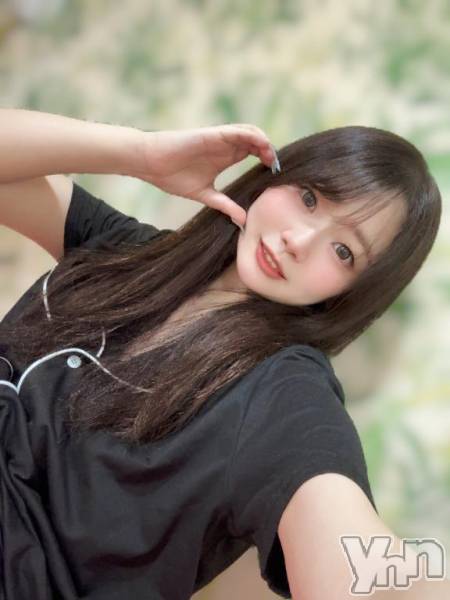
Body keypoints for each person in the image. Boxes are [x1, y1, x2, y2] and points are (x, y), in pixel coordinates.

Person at [0, 109, 447, 600]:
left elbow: (356, 558)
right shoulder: (125, 251)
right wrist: (142, 154)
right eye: (309, 197)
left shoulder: (283, 394)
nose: (298, 241)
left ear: (355, 291)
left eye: (344, 252)